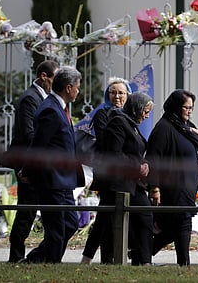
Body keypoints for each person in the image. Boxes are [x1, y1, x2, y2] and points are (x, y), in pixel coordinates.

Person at [20, 66, 82, 264]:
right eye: (77, 88)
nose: (79, 91)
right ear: (68, 87)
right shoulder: (50, 110)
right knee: (56, 228)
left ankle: (36, 258)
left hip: (64, 180)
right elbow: (39, 145)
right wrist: (27, 171)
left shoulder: (58, 107)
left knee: (70, 224)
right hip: (53, 179)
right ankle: (52, 265)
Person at [88, 92, 155, 265]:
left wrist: (145, 163)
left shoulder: (132, 124)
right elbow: (114, 154)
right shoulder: (119, 121)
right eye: (145, 111)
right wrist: (137, 166)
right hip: (119, 184)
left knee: (143, 218)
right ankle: (111, 260)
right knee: (108, 225)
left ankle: (143, 260)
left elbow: (137, 151)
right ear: (137, 108)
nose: (147, 116)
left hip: (133, 183)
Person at [146, 89, 198, 266]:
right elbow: (153, 159)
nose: (189, 111)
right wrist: (155, 187)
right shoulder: (164, 127)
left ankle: (142, 253)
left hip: (187, 188)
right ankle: (184, 263)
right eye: (186, 107)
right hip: (173, 187)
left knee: (171, 229)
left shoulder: (186, 126)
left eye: (191, 108)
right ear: (175, 107)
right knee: (183, 224)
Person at [7, 60, 59, 263]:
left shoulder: (43, 97)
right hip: (27, 164)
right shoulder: (30, 98)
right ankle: (16, 256)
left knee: (34, 210)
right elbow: (29, 134)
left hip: (38, 163)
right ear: (44, 77)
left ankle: (34, 255)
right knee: (26, 212)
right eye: (54, 79)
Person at [81, 77, 132, 264]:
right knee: (105, 216)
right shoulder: (102, 113)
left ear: (128, 96)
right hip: (108, 174)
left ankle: (104, 258)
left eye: (121, 93)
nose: (117, 96)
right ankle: (97, 258)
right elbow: (105, 143)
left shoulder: (130, 114)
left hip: (124, 175)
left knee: (109, 217)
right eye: (113, 92)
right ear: (107, 95)